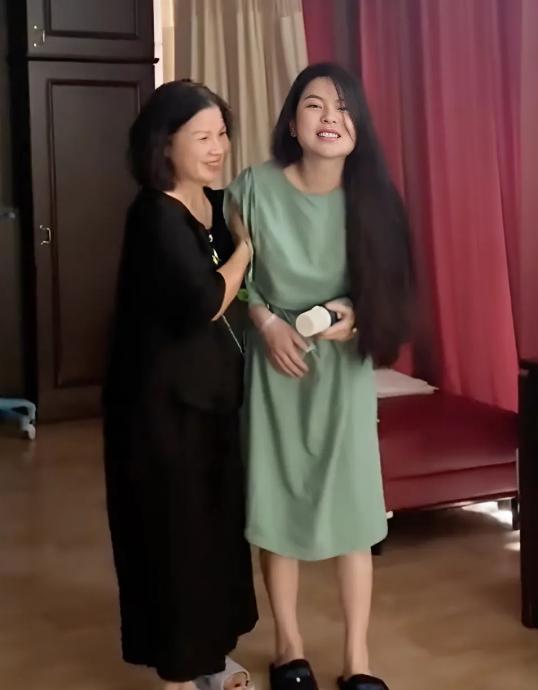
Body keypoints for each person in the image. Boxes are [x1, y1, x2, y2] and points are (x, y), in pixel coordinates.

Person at [224, 63, 413, 690]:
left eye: (344, 107)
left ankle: (358, 659)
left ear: (360, 126)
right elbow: (234, 277)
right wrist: (264, 321)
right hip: (275, 368)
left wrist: (353, 316)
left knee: (354, 512)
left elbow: (389, 291)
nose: (330, 118)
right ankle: (289, 649)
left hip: (342, 372)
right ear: (291, 122)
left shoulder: (375, 200)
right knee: (276, 506)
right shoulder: (251, 190)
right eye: (314, 105)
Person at [102, 79, 257, 690]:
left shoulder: (212, 203)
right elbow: (204, 299)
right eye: (203, 137)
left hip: (211, 399)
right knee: (172, 537)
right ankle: (177, 673)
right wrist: (246, 252)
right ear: (165, 144)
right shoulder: (153, 213)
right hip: (159, 411)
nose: (218, 148)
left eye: (222, 134)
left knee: (213, 534)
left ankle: (209, 658)